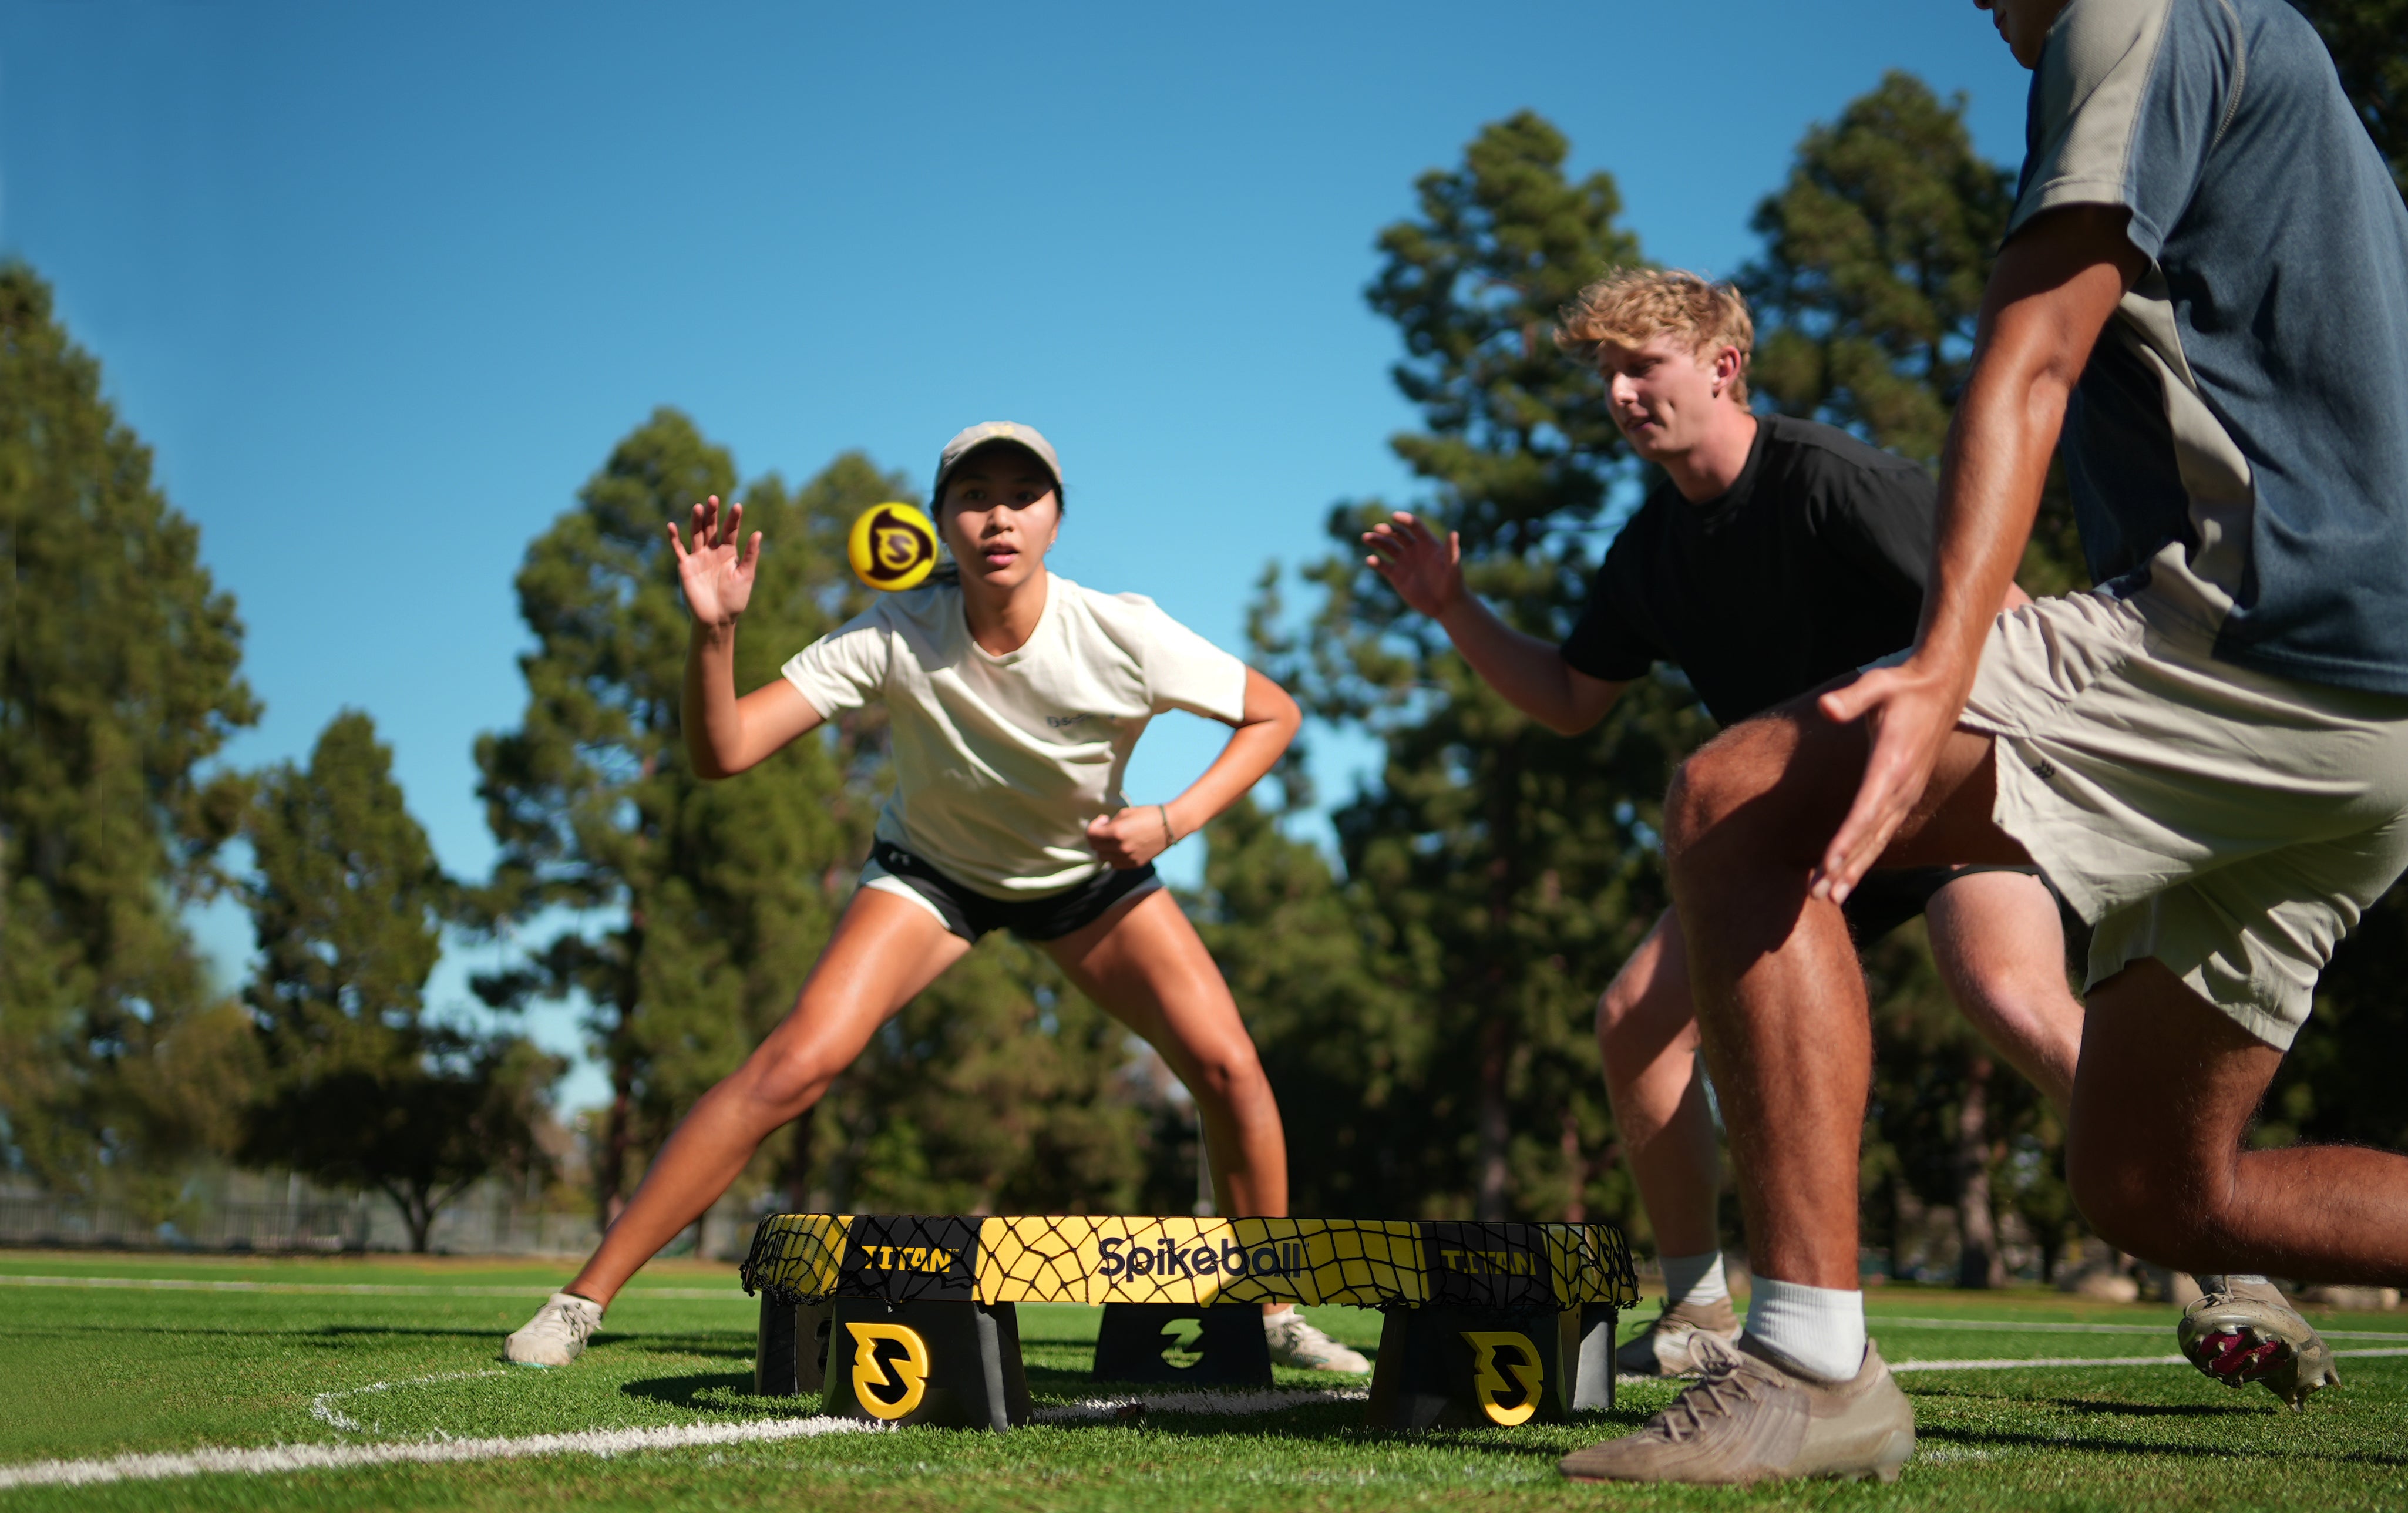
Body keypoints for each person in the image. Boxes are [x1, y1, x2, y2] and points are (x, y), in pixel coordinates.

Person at [1560, 0, 2408, 1485]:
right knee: (2152, 1187)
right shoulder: (2296, 83)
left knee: (1735, 802)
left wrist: (1940, 668)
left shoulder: (2132, 10)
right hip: (2368, 718)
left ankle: (1809, 1362)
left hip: (2255, 639)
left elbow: (2030, 356)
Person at [503, 421, 1368, 1375]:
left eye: (1023, 496)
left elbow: (1273, 711)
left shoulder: (1122, 631)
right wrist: (715, 633)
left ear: (1056, 521)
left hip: (1086, 878)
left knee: (1231, 1070)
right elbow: (725, 753)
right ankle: (580, 1301)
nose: (1000, 516)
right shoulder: (894, 631)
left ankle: (1272, 1312)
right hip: (933, 874)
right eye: (974, 496)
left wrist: (1172, 819)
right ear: (940, 522)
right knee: (792, 1067)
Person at [1366, 269, 2090, 1376]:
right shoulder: (1648, 552)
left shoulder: (1838, 480)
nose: (1620, 392)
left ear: (1723, 367)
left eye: (1641, 365)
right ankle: (1699, 1314)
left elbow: (2017, 623)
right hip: (1799, 839)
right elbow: (1570, 697)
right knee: (1633, 1020)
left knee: (2010, 996)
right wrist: (1455, 609)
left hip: (1940, 799)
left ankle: (2225, 1260)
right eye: (1607, 373)